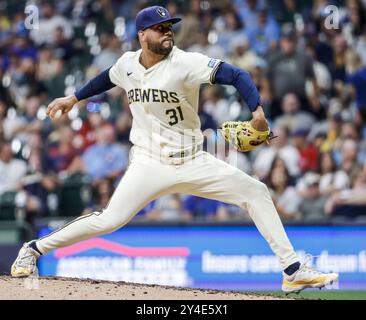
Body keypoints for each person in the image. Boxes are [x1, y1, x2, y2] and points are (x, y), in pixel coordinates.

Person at [11, 5, 338, 293]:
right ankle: (34, 248)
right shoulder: (127, 64)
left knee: (255, 191)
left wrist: (257, 112)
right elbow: (106, 78)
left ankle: (292, 271)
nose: (168, 33)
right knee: (109, 220)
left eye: (170, 27)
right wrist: (74, 98)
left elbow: (237, 75)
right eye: (160, 28)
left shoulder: (186, 63)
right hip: (149, 163)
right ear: (142, 35)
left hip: (194, 159)